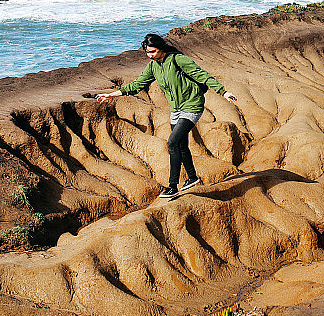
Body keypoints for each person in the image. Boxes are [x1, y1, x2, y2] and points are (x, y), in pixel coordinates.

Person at [97, 33, 238, 198]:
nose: (150, 55)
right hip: (176, 109)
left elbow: (202, 75)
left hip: (192, 106)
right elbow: (137, 84)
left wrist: (224, 92)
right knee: (181, 145)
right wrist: (111, 95)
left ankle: (172, 186)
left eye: (153, 51)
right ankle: (192, 178)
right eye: (147, 53)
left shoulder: (178, 60)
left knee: (172, 142)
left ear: (161, 48)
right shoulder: (153, 66)